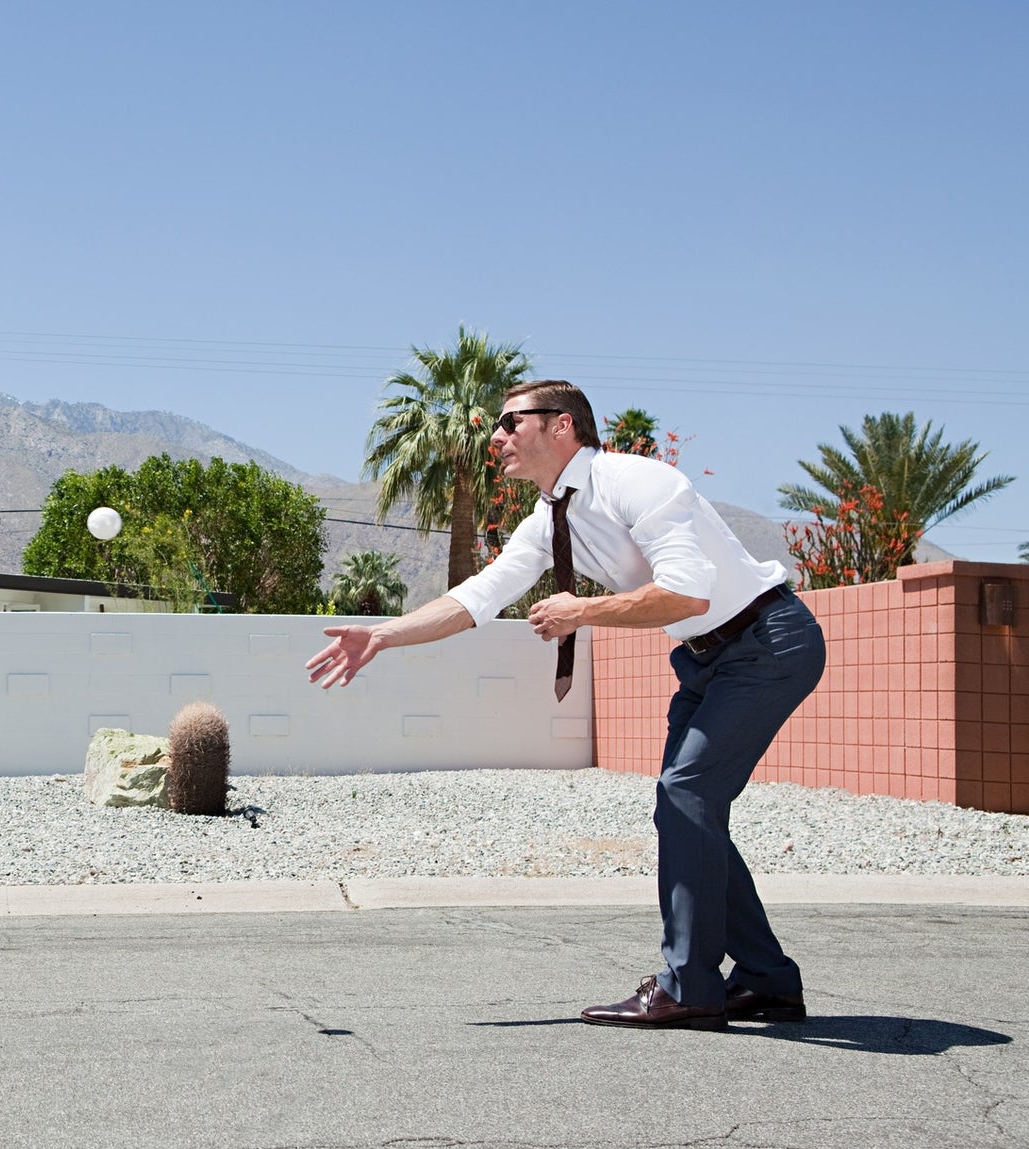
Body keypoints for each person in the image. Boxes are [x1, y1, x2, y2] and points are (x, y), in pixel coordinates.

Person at [307, 380, 825, 1031]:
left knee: (688, 793)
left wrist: (584, 611)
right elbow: (479, 596)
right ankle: (766, 980)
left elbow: (688, 595)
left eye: (509, 422)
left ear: (562, 426)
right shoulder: (549, 521)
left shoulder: (636, 482)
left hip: (766, 641)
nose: (495, 437)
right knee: (687, 807)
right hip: (705, 660)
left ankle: (691, 985)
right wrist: (383, 636)